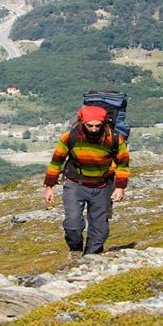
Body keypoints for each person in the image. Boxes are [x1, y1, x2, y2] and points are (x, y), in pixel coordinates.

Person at [42, 105, 130, 259]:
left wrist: (120, 187)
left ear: (104, 123)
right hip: (75, 184)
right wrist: (49, 186)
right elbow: (57, 161)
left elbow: (123, 163)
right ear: (82, 123)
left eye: (98, 126)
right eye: (90, 126)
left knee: (100, 229)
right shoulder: (70, 137)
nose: (94, 129)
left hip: (103, 185)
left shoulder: (115, 139)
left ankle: (90, 257)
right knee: (73, 224)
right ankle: (75, 249)